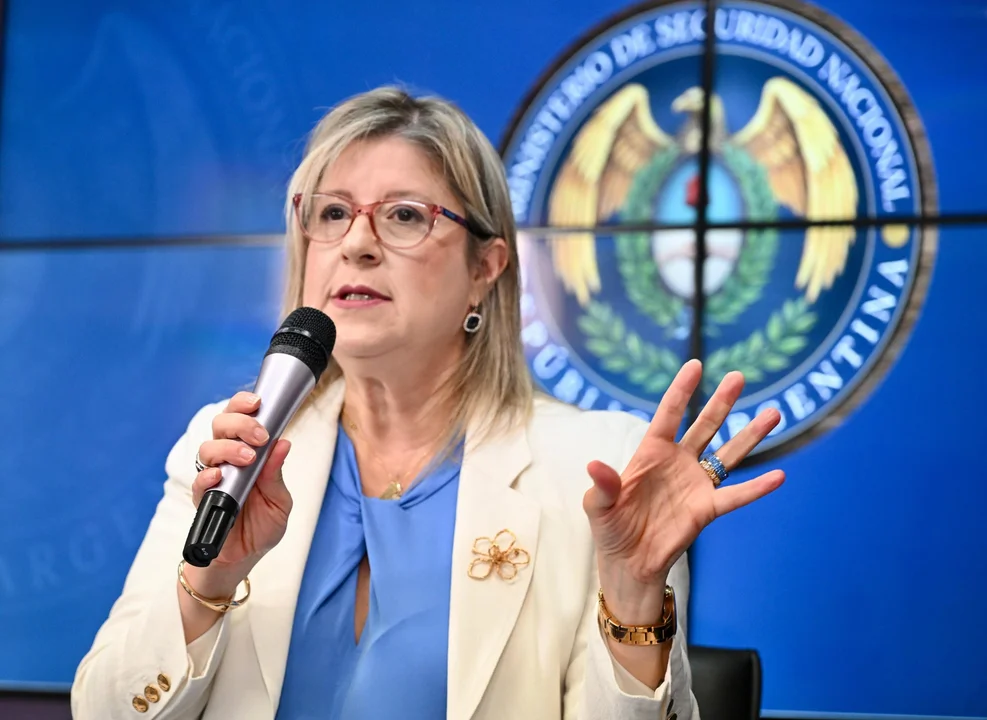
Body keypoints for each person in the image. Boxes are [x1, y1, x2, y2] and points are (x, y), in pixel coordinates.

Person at [71, 86, 784, 720]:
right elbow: (103, 711)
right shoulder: (232, 449)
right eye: (332, 213)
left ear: (485, 269)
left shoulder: (595, 467)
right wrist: (208, 583)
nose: (356, 244)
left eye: (404, 216)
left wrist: (631, 605)